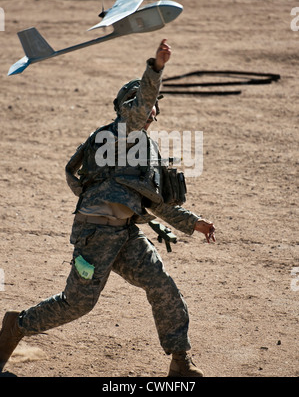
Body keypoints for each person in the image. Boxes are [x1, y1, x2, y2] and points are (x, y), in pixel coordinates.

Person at [0, 39, 216, 377]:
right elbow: (139, 108)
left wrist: (193, 223)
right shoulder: (112, 135)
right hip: (95, 233)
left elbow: (156, 201)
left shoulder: (147, 148)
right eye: (147, 106)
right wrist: (155, 69)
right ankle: (17, 325)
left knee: (162, 285)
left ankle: (179, 361)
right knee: (78, 304)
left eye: (155, 108)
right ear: (129, 108)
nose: (152, 113)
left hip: (124, 234)